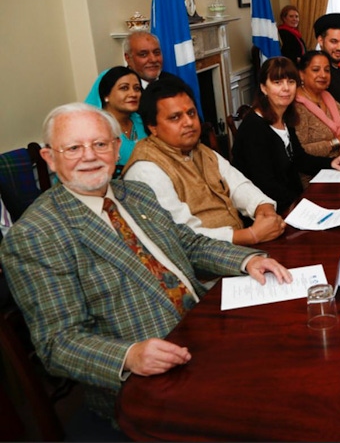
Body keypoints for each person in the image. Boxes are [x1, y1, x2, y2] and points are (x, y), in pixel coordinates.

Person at [0, 103, 292, 431]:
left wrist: (247, 259)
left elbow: (190, 244)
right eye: (73, 148)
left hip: (206, 330)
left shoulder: (136, 193)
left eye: (100, 144)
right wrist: (131, 356)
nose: (90, 156)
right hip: (147, 381)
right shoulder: (36, 234)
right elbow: (58, 343)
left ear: (115, 148)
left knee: (292, 360)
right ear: (50, 158)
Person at [123, 78, 286, 246]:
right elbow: (181, 234)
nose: (188, 122)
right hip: (201, 262)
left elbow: (238, 185)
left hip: (239, 245)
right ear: (153, 127)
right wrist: (249, 235)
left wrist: (264, 210)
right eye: (175, 117)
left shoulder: (199, 150)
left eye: (191, 113)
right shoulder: (146, 169)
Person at [232, 58, 340, 212]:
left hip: (291, 202)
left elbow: (299, 158)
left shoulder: (286, 117)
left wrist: (331, 163)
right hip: (267, 210)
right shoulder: (254, 128)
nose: (286, 88)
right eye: (277, 83)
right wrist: (302, 204)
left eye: (290, 82)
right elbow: (265, 184)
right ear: (263, 88)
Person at [296, 50, 340, 165]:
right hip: (315, 173)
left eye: (327, 70)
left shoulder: (326, 97)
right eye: (316, 70)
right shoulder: (297, 106)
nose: (323, 75)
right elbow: (300, 151)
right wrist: (335, 142)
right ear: (301, 74)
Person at [84, 31, 175, 107]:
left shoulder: (172, 82)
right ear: (128, 58)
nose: (153, 59)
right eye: (143, 54)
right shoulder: (112, 79)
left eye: (157, 53)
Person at [97, 66, 147, 168]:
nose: (133, 94)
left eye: (137, 88)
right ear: (106, 95)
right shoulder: (96, 129)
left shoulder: (144, 122)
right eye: (124, 88)